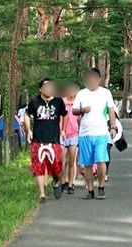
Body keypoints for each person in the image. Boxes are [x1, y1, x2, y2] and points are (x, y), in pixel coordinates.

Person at [73, 67, 117, 200]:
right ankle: (90, 189)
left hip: (101, 132)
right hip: (85, 133)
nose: (91, 81)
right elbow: (74, 111)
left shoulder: (106, 93)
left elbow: (111, 110)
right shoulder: (81, 93)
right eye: (89, 78)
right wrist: (83, 110)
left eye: (94, 78)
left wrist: (113, 127)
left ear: (98, 79)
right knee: (87, 164)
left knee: (101, 161)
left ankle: (101, 187)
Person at [24, 79, 67, 203]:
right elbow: (26, 115)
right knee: (39, 167)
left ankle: (56, 181)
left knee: (56, 167)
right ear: (41, 89)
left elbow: (65, 114)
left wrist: (63, 129)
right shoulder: (34, 102)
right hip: (38, 139)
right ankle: (42, 194)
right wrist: (29, 131)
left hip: (54, 139)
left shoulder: (58, 102)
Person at [59, 82, 80, 195]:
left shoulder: (77, 103)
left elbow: (80, 119)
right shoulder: (62, 102)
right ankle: (63, 182)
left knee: (72, 161)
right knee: (62, 161)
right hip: (62, 135)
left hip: (74, 135)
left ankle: (71, 184)